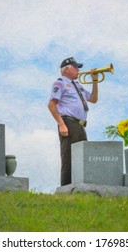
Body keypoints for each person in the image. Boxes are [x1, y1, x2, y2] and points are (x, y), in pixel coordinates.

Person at [48, 57, 98, 186]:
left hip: (80, 125)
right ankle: (65, 190)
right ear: (66, 69)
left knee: (82, 157)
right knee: (68, 158)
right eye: (75, 67)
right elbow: (51, 105)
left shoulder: (77, 85)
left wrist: (95, 81)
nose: (78, 70)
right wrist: (62, 124)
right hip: (69, 123)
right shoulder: (60, 83)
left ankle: (80, 187)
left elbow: (93, 99)